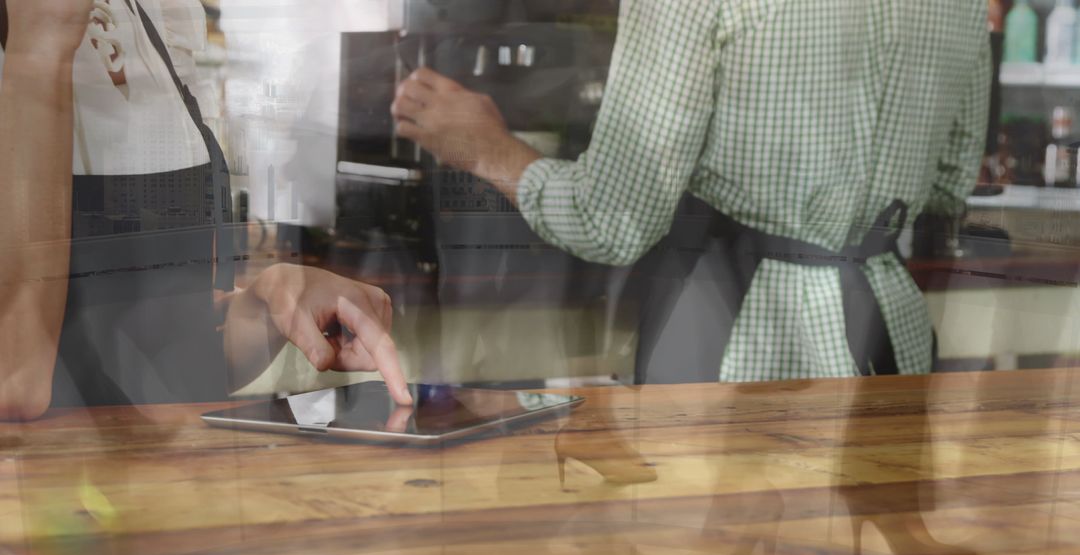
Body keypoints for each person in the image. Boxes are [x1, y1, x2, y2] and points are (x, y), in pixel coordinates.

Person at [392, 0, 992, 384]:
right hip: (892, 341)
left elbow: (612, 218)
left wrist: (485, 147)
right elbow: (949, 182)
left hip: (739, 351)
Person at [0, 0, 412, 421]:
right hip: (63, 478)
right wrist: (40, 46)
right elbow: (15, 385)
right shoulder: (39, 28)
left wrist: (265, 304)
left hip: (179, 470)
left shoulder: (148, 17)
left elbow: (167, 346)